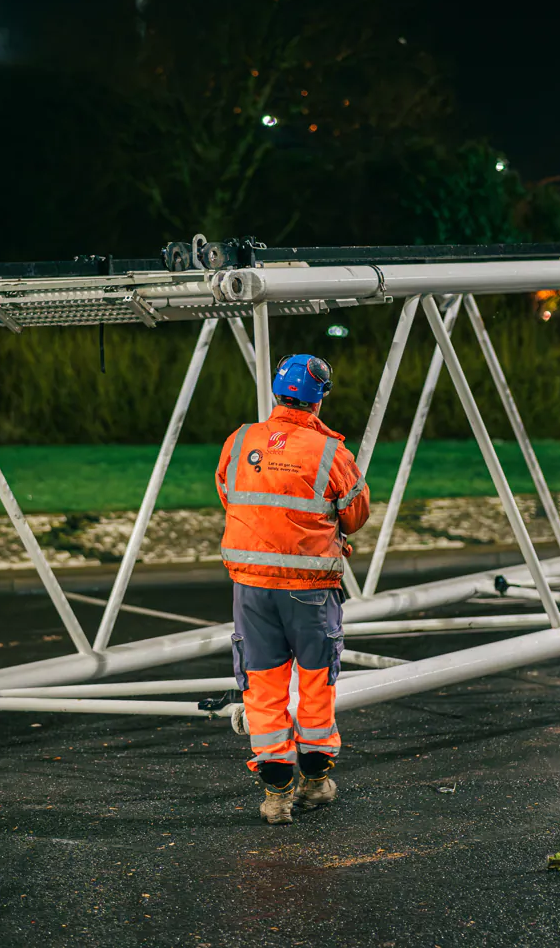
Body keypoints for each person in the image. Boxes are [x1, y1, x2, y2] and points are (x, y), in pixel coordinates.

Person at [217, 353, 370, 825]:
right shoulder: (330, 453)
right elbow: (356, 515)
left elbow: (228, 492)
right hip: (309, 590)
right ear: (318, 398)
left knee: (262, 686)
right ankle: (316, 782)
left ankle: (276, 795)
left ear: (277, 393)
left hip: (251, 588)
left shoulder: (241, 440)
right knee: (316, 681)